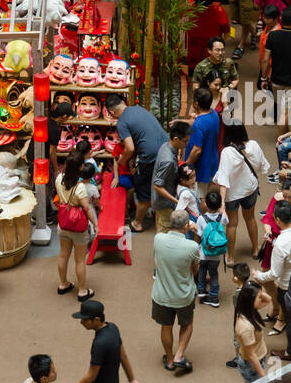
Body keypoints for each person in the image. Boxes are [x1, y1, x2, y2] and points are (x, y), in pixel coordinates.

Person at [254, 199, 291, 354]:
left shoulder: (281, 243)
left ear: (278, 220)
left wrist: (258, 276)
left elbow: (274, 273)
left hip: (288, 287)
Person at [109, 94, 169, 234]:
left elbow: (129, 148)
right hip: (167, 150)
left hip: (151, 157)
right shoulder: (139, 109)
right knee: (158, 183)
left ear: (111, 113)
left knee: (142, 189)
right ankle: (156, 212)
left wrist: (121, 161)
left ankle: (137, 223)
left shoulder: (122, 122)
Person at [152, 210, 201, 374]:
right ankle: (180, 354)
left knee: (166, 326)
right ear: (186, 226)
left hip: (161, 294)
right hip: (183, 295)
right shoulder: (192, 246)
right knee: (187, 324)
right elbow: (195, 270)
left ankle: (170, 358)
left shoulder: (158, 239)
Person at [214, 122, 270, 264]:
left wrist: (222, 203)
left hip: (233, 193)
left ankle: (231, 257)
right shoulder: (254, 145)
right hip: (250, 189)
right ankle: (256, 249)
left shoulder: (227, 152)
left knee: (232, 224)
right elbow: (264, 167)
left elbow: (224, 180)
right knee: (250, 218)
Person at [54, 152, 99, 301]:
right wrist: (95, 225)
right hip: (78, 227)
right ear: (80, 167)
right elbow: (86, 208)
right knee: (80, 260)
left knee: (63, 255)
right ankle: (81, 290)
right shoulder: (79, 187)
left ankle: (63, 284)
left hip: (63, 224)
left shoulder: (59, 178)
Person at [151, 121, 191, 233]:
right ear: (176, 139)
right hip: (164, 205)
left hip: (163, 201)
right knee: (165, 234)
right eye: (185, 141)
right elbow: (157, 186)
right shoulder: (168, 160)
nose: (187, 144)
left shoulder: (166, 145)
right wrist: (177, 201)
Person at [184, 87, 222, 188]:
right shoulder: (214, 114)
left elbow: (197, 150)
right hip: (211, 161)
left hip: (201, 168)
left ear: (196, 104)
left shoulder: (199, 125)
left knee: (199, 198)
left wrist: (186, 165)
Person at [195, 190, 228, 307]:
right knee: (214, 274)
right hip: (216, 254)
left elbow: (198, 236)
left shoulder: (201, 219)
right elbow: (227, 220)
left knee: (202, 272)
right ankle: (214, 297)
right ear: (219, 205)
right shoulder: (222, 217)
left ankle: (201, 292)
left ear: (206, 205)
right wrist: (222, 210)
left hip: (203, 253)